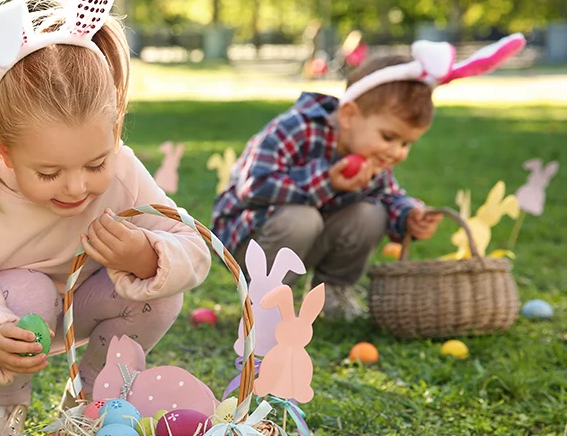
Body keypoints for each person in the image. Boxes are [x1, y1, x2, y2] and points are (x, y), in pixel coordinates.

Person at [0, 0, 211, 436]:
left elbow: (193, 245)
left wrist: (147, 254)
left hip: (94, 301)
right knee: (27, 289)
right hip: (13, 308)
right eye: (49, 172)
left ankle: (92, 401)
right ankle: (4, 408)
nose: (77, 187)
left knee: (162, 294)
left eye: (94, 164)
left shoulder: (121, 168)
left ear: (114, 127)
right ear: (2, 151)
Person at [211, 34, 526, 320]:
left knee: (371, 213)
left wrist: (407, 215)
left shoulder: (371, 153)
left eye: (406, 143)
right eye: (389, 137)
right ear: (349, 115)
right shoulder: (297, 128)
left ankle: (331, 295)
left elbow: (387, 196)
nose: (397, 152)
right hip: (250, 238)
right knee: (301, 218)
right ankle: (265, 303)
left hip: (308, 239)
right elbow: (254, 185)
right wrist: (328, 181)